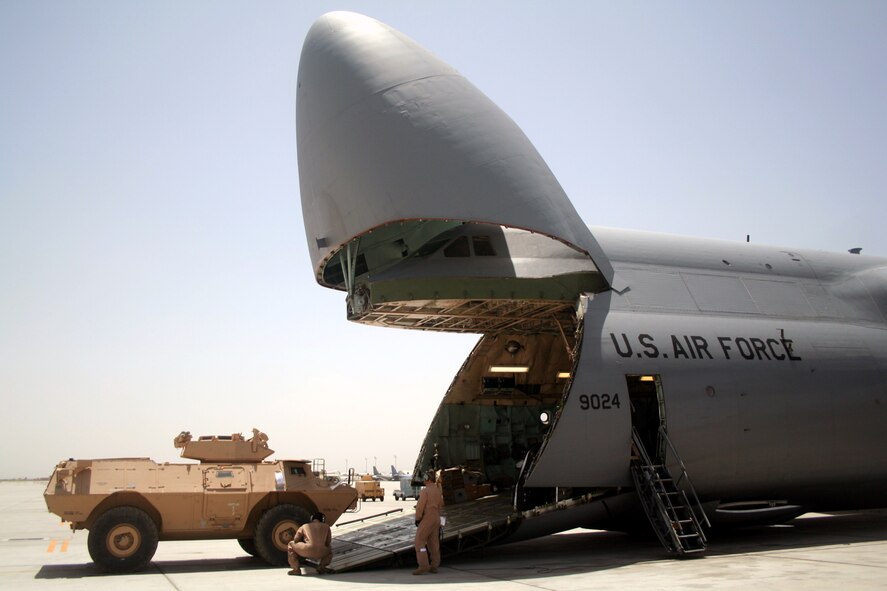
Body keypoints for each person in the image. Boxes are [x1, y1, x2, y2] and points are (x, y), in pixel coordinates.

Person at [413, 471, 443, 575]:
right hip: (436, 517)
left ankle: (423, 565)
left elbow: (420, 506)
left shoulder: (425, 491)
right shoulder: (438, 490)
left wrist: (418, 518)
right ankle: (434, 566)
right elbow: (441, 505)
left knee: (419, 542)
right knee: (433, 543)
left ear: (427, 478)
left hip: (428, 518)